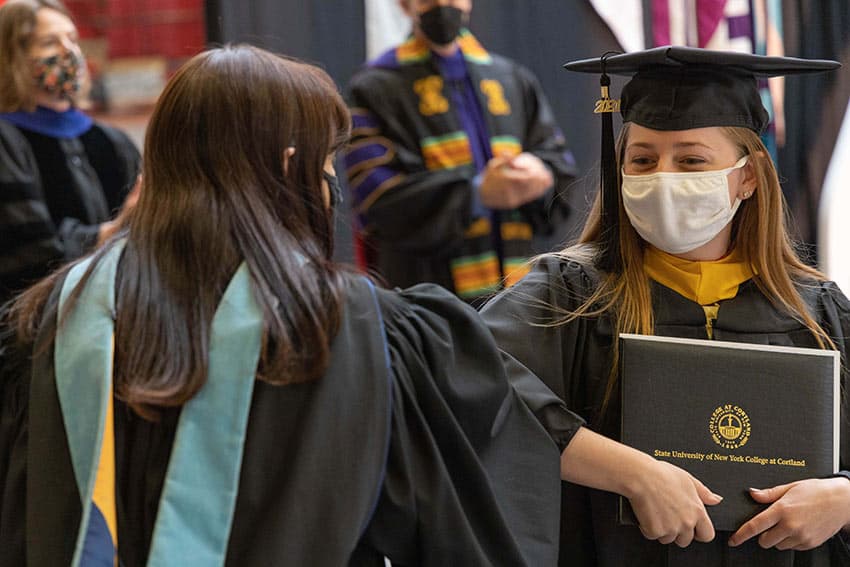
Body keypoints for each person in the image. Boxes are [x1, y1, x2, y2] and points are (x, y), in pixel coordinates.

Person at [0, 44, 574, 566]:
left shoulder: (61, 311)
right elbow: (458, 509)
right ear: (286, 167)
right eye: (326, 166)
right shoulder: (343, 325)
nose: (330, 187)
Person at [480, 46, 850, 566]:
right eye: (643, 159)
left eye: (692, 160)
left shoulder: (817, 310)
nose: (664, 177)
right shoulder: (572, 292)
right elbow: (468, 380)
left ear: (748, 175)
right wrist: (630, 472)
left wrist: (845, 498)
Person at [345, 0, 577, 304]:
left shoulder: (512, 79)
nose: (443, 4)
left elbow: (558, 165)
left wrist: (541, 174)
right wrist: (477, 195)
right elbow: (379, 201)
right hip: (428, 305)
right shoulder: (374, 88)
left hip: (520, 304)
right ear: (404, 4)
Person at [0, 0, 140, 306]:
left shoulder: (111, 140)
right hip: (29, 324)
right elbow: (27, 251)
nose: (69, 52)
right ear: (12, 57)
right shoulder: (6, 140)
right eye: (50, 42)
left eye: (72, 40)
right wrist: (113, 230)